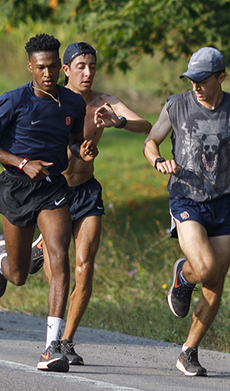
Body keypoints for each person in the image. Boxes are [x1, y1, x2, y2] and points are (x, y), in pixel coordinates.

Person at [143, 46, 230, 377]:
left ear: (221, 77)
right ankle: (184, 275)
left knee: (216, 281)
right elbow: (150, 141)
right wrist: (158, 160)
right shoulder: (177, 105)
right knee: (205, 266)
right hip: (185, 198)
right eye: (191, 79)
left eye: (202, 79)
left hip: (222, 202)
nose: (195, 85)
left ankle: (189, 351)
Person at [0, 33, 97, 372]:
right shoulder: (14, 101)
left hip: (52, 188)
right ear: (30, 67)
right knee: (18, 275)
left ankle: (51, 346)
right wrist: (20, 162)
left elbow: (71, 142)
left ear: (60, 66)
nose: (48, 73)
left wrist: (81, 150)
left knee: (59, 259)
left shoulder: (73, 103)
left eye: (53, 67)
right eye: (41, 67)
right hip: (16, 187)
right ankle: (2, 260)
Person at [31, 41, 153, 366]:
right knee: (61, 271)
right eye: (80, 67)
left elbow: (148, 126)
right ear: (66, 69)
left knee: (84, 267)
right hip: (54, 192)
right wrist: (72, 152)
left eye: (92, 67)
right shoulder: (51, 100)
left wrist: (119, 122)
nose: (87, 73)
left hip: (86, 192)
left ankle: (67, 341)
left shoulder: (104, 102)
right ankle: (36, 250)